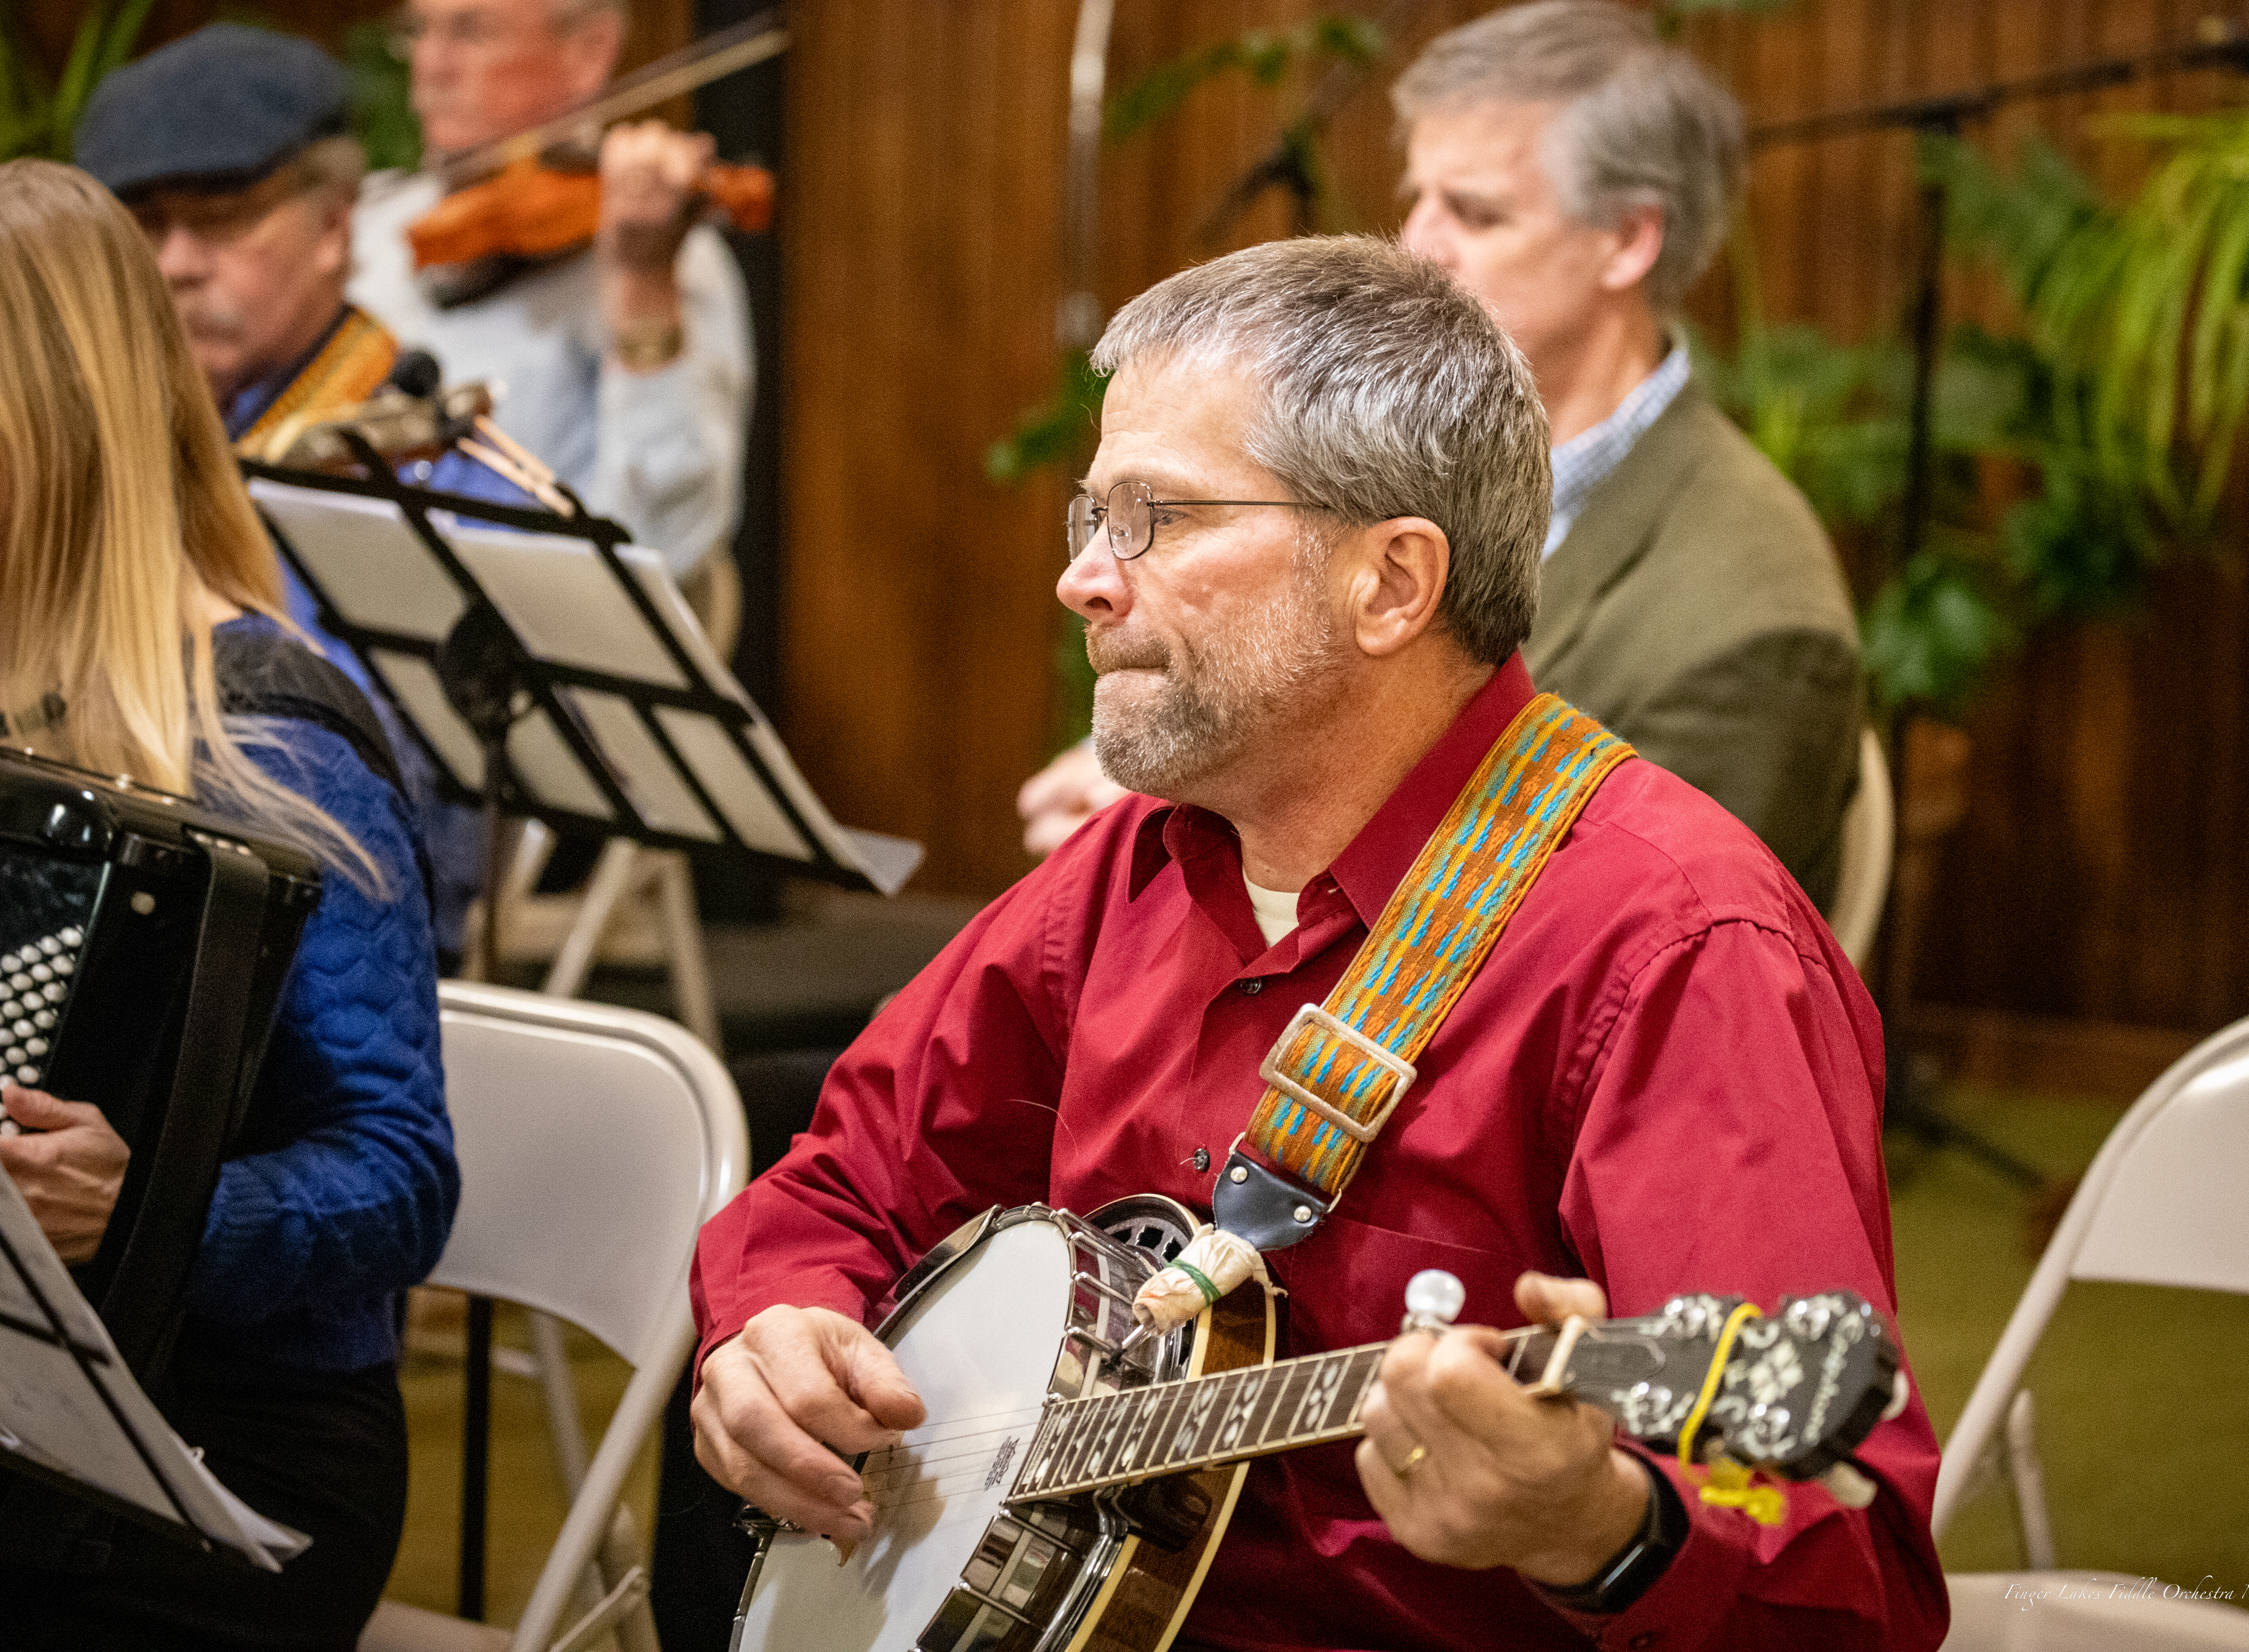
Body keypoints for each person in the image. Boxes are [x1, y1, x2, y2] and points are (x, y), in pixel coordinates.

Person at [691, 237, 1944, 1649]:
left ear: (1393, 583)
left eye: (1159, 516)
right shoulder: (1132, 872)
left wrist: (1604, 1532)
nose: (1087, 582)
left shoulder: (1677, 952)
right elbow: (844, 1184)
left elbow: (1857, 1595)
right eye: (1091, 516)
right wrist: (773, 1330)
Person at [1023, 1, 1863, 912]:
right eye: (1418, 197)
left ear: (1627, 240)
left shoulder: (1753, 623)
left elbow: (1609, 928)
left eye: (1475, 211)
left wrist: (1196, 804)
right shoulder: (1380, 469)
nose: (1419, 241)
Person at [0, 158, 457, 1651]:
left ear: (51, 430)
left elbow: (399, 1181)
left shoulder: (272, 736)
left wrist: (148, 1209)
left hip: (228, 1447)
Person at [73, 22, 528, 964]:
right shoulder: (93, 445)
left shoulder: (443, 476)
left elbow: (401, 848)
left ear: (333, 228)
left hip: (320, 958)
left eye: (223, 220)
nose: (176, 265)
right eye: (146, 226)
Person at [350, 0, 754, 601]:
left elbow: (668, 550)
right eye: (418, 30)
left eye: (472, 31)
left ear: (588, 52)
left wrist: (643, 282)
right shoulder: (379, 226)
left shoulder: (670, 264)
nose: (431, 66)